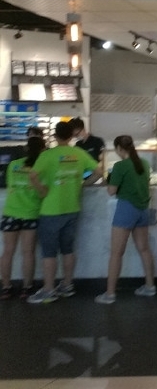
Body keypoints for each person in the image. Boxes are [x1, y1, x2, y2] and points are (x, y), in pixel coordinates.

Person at [27, 120, 101, 304]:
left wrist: (42, 191)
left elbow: (32, 175)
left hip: (51, 210)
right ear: (71, 136)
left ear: (55, 136)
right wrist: (83, 184)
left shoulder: (47, 155)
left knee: (49, 252)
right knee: (68, 249)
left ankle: (48, 290)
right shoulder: (79, 153)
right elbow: (99, 172)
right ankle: (67, 285)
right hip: (72, 208)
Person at [95, 135, 156, 304]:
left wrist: (108, 179)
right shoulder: (144, 163)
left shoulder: (120, 166)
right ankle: (150, 286)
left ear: (119, 149)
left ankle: (110, 294)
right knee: (144, 249)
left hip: (126, 209)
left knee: (116, 253)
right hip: (143, 209)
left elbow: (111, 191)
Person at [1, 136, 46, 300]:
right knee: (28, 252)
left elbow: (9, 185)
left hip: (11, 212)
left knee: (8, 251)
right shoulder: (41, 168)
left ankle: (6, 287)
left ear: (26, 148)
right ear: (43, 150)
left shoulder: (13, 165)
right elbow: (42, 192)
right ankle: (27, 287)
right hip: (31, 213)